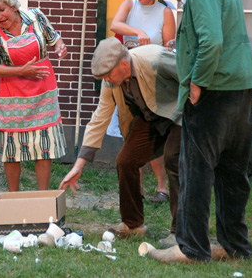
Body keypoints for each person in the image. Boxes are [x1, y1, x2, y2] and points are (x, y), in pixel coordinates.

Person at [147, 0, 252, 263]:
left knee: (194, 171)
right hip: (241, 88)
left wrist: (197, 84)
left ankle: (192, 248)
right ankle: (235, 246)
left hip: (214, 91)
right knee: (232, 173)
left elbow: (211, 41)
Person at [59, 37, 181, 241]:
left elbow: (190, 75)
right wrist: (78, 166)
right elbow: (99, 119)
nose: (106, 80)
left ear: (123, 64)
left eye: (107, 75)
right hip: (150, 117)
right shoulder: (112, 83)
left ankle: (182, 232)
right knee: (126, 161)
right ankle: (133, 224)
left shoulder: (155, 59)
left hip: (178, 113)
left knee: (174, 159)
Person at [0, 0, 68, 191]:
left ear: (12, 5)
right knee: (12, 151)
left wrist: (60, 47)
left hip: (42, 93)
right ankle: (13, 199)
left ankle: (42, 197)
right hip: (13, 98)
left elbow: (54, 39)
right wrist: (21, 71)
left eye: (2, 9)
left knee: (43, 147)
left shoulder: (36, 16)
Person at [109, 0, 177, 203]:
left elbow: (170, 46)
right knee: (131, 132)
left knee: (152, 131)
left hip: (153, 78)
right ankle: (135, 187)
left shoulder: (165, 12)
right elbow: (115, 26)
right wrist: (136, 31)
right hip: (128, 77)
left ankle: (162, 187)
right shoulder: (129, 6)